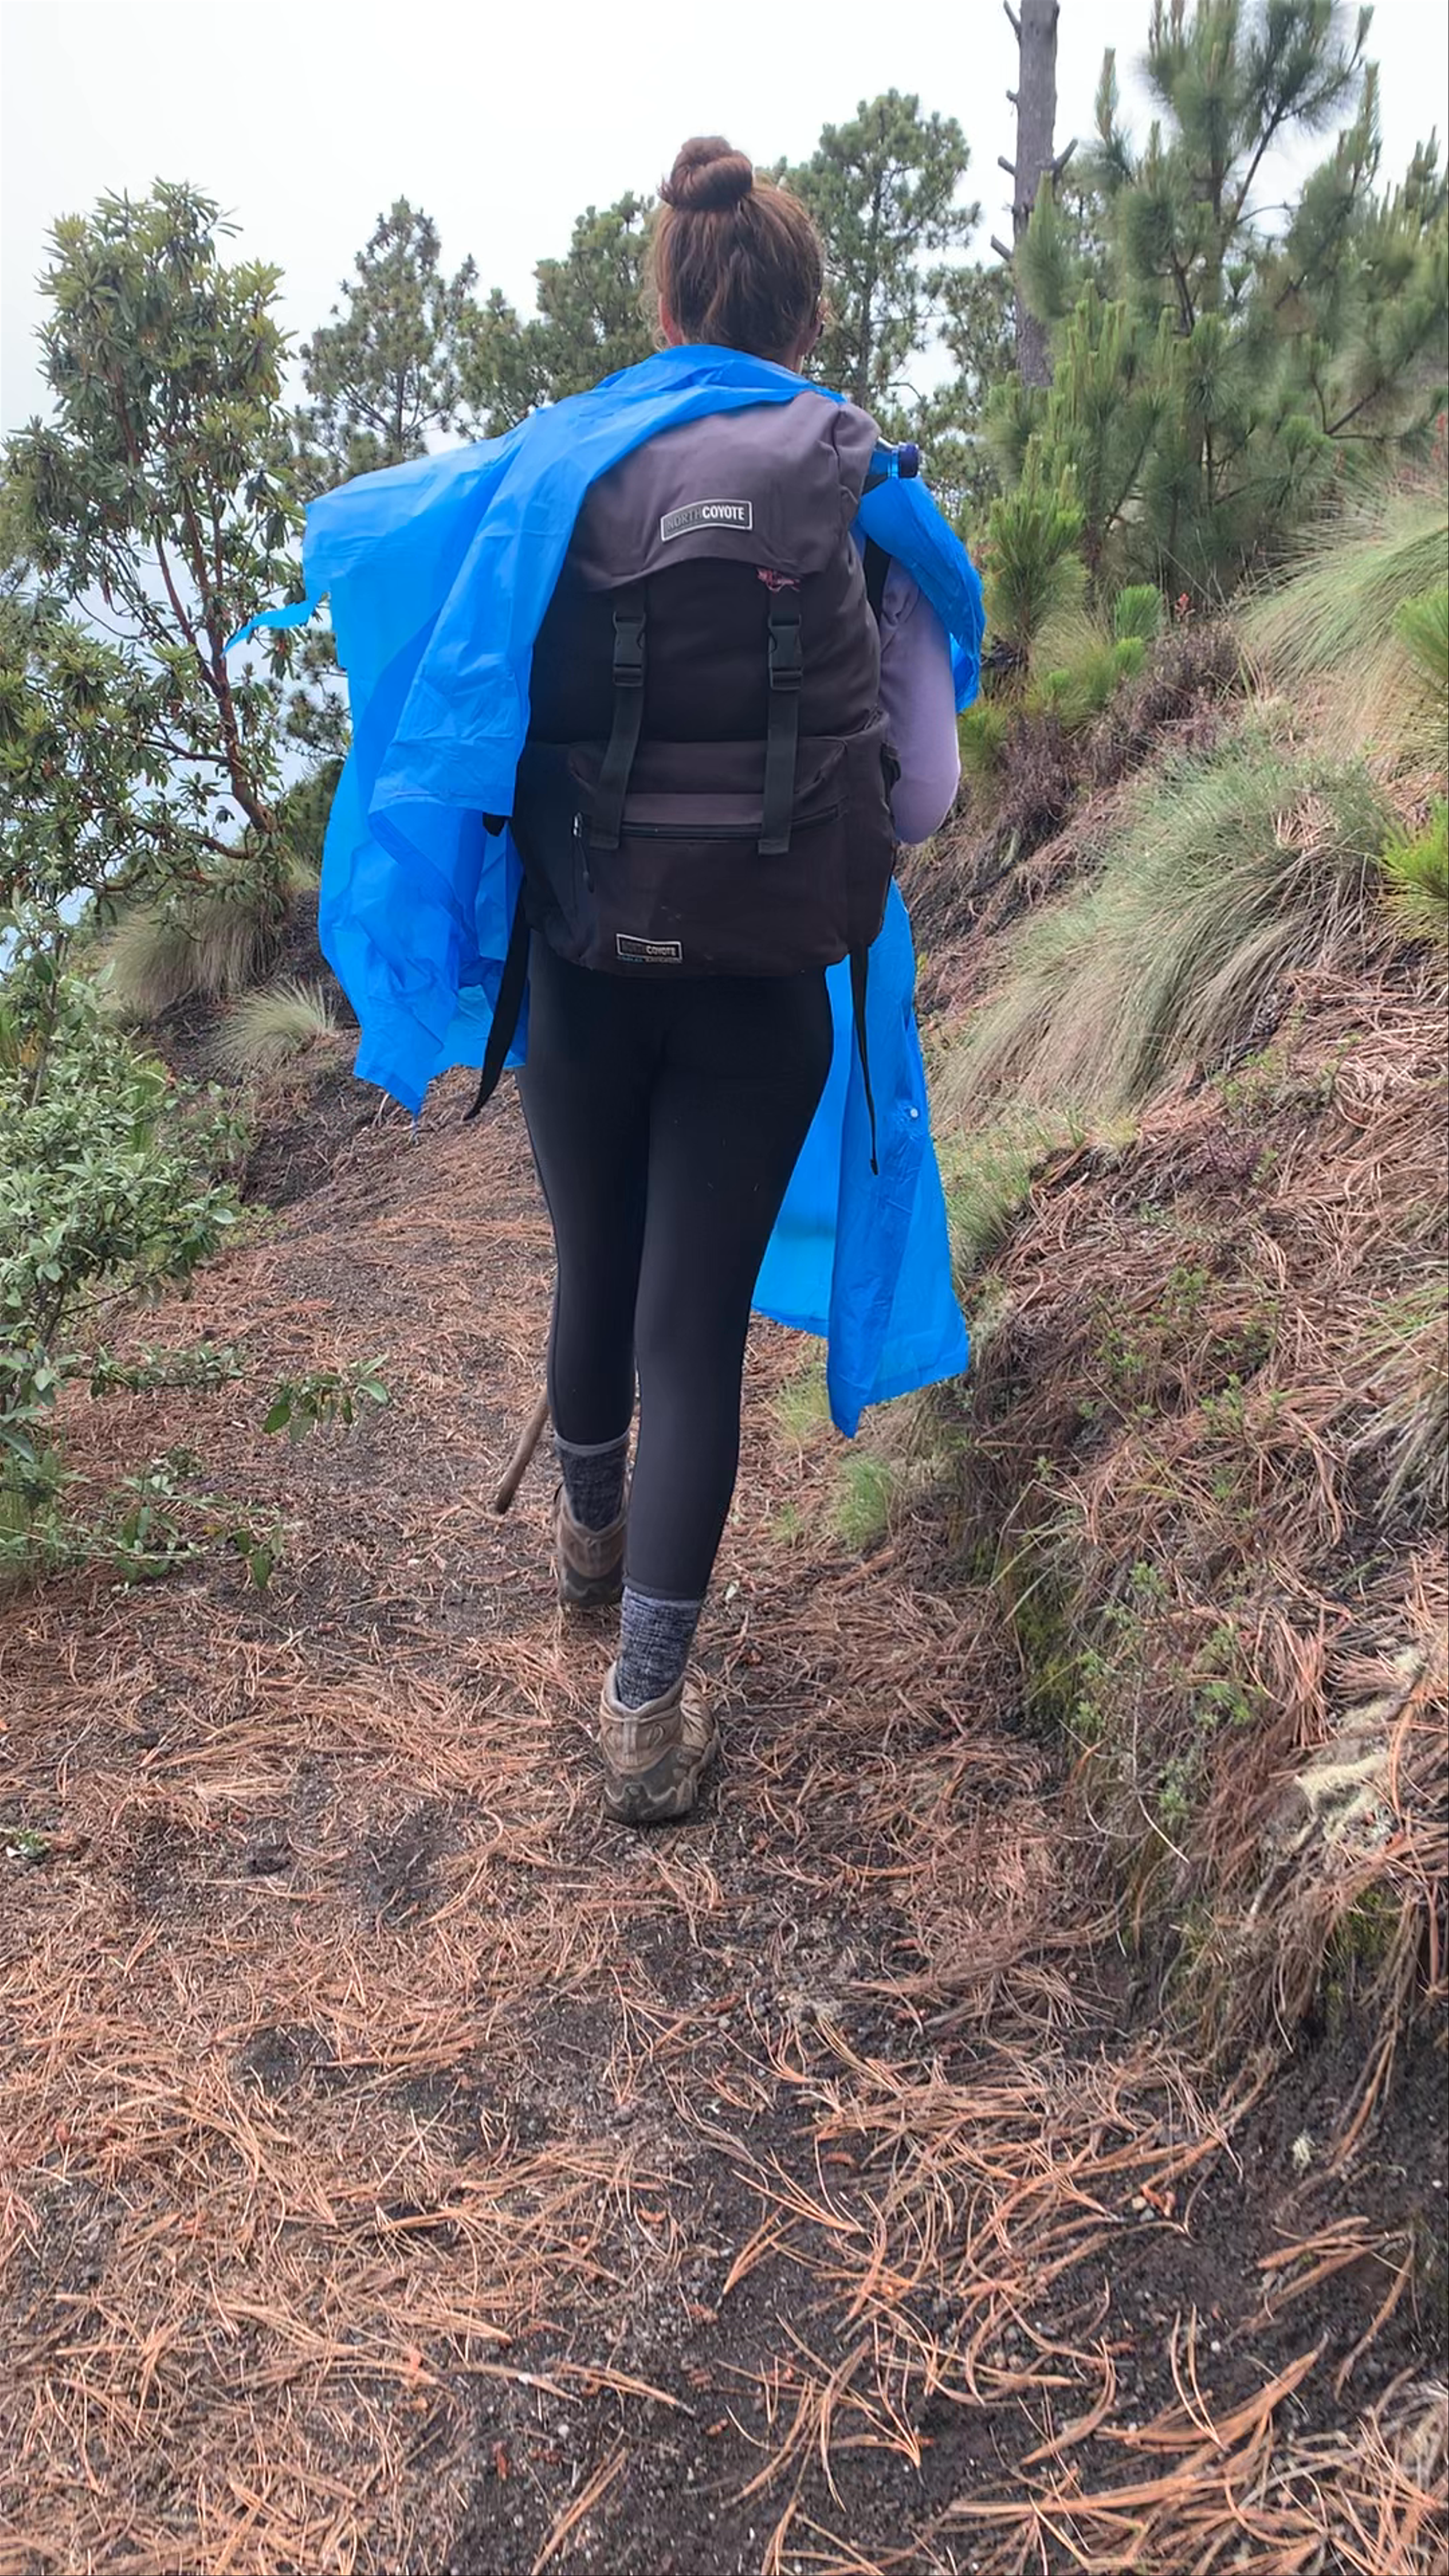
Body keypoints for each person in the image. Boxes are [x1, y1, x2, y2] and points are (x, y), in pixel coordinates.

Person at [511, 139, 963, 1824]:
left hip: (585, 959)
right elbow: (918, 795)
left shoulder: (567, 478)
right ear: (801, 310)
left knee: (593, 1262)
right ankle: (645, 1711)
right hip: (765, 983)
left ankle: (585, 1537)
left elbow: (482, 710)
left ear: (671, 295)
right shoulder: (861, 497)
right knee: (690, 1323)